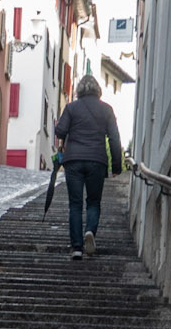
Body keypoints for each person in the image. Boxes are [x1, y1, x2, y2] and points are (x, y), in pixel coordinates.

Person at [53, 74, 124, 259]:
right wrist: (117, 166)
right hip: (97, 161)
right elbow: (115, 139)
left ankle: (76, 247)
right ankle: (90, 231)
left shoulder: (71, 107)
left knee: (75, 204)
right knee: (93, 202)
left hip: (73, 161)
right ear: (98, 91)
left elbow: (60, 131)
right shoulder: (107, 109)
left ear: (78, 91)